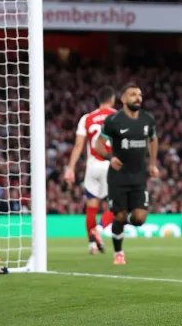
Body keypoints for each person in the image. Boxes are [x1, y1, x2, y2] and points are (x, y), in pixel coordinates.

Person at [94, 83, 159, 265]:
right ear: (123, 99)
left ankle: (121, 222)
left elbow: (153, 140)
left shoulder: (148, 119)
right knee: (119, 216)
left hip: (139, 177)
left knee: (139, 219)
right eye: (132, 94)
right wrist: (110, 157)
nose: (138, 97)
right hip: (118, 177)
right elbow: (97, 144)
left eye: (139, 94)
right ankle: (118, 252)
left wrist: (152, 163)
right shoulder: (114, 121)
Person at [64, 86, 116, 254]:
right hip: (111, 164)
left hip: (92, 166)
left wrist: (70, 168)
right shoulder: (117, 116)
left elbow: (79, 145)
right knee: (118, 205)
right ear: (112, 99)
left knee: (91, 207)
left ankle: (92, 245)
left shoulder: (86, 118)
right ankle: (99, 230)